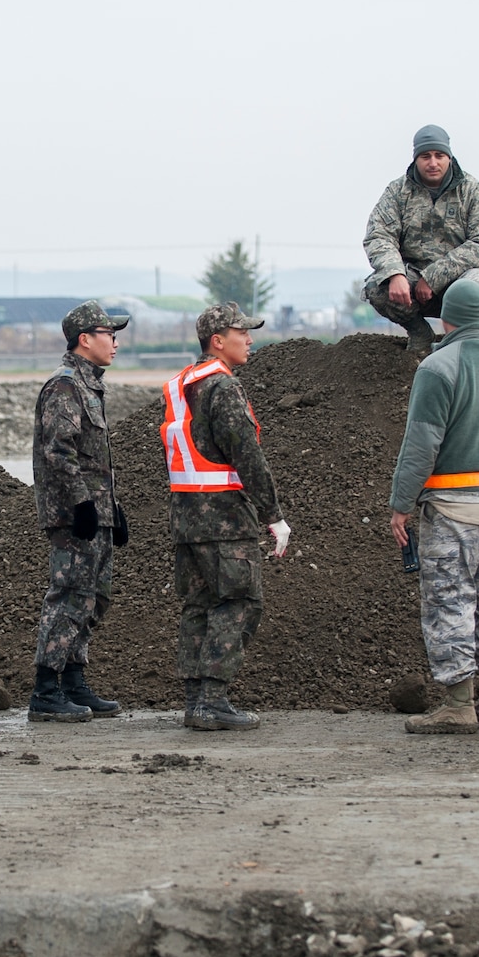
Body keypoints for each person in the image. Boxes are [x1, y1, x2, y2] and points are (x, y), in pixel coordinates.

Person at [388, 278, 479, 734]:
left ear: (447, 317)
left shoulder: (437, 367)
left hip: (451, 506)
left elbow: (421, 443)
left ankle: (459, 704)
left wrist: (401, 503)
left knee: (450, 600)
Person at [162, 302, 290, 731]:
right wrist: (273, 514)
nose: (250, 339)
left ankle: (196, 700)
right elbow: (245, 452)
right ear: (218, 341)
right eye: (243, 332)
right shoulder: (222, 386)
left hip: (187, 522)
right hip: (224, 521)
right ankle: (213, 701)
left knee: (198, 605)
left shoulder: (182, 385)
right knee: (239, 602)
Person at [28, 300, 129, 722]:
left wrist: (112, 507)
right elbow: (59, 451)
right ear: (85, 339)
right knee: (69, 596)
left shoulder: (90, 385)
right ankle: (46, 690)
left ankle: (73, 678)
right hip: (74, 515)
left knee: (93, 598)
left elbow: (93, 458)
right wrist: (83, 502)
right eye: (109, 334)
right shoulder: (65, 385)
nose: (116, 343)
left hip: (96, 511)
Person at [362, 125, 479, 353]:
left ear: (449, 157)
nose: (432, 163)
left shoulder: (471, 191)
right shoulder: (398, 192)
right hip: (413, 279)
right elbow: (378, 235)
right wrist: (395, 273)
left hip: (458, 279)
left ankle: (459, 340)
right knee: (377, 285)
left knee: (478, 285)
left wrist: (434, 277)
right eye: (425, 156)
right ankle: (420, 334)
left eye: (439, 156)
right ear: (416, 158)